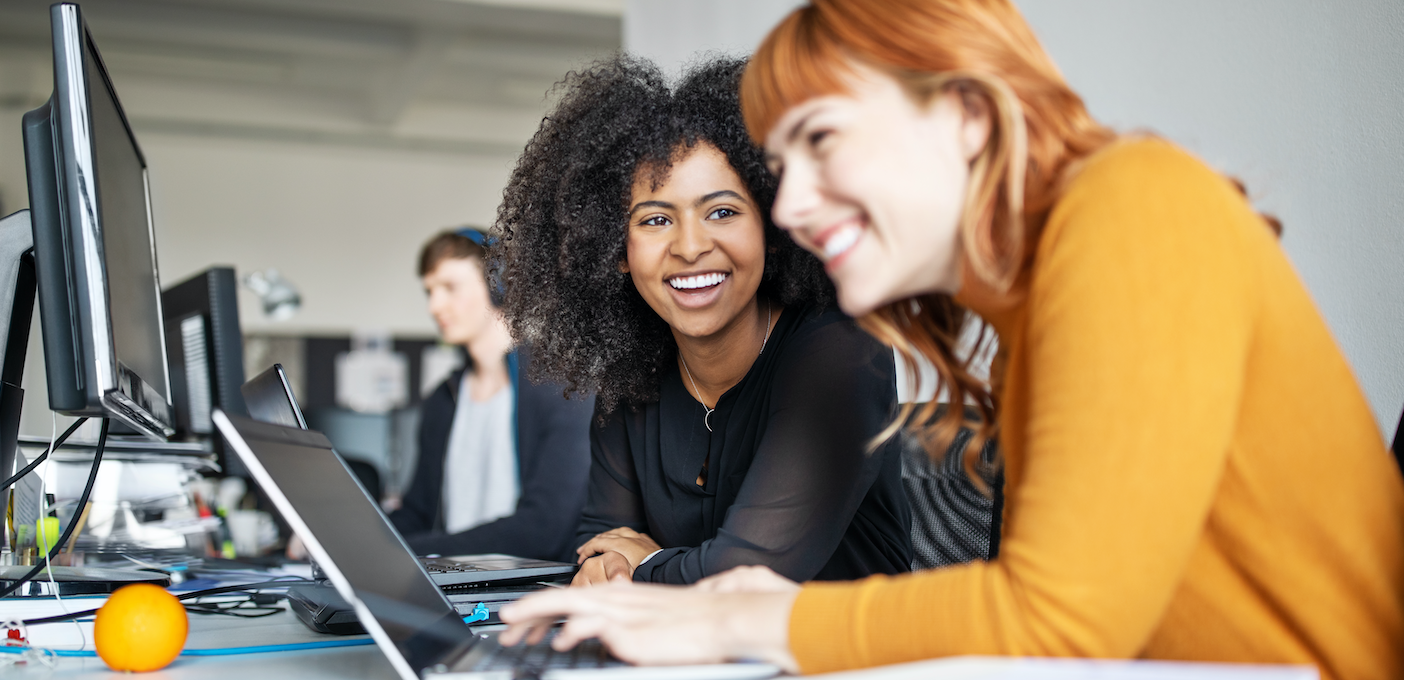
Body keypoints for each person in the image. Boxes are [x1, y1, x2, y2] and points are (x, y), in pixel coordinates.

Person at [498, 1, 1404, 677]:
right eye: (786, 167)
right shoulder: (1040, 301)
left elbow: (1059, 621)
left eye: (823, 141)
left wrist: (744, 618)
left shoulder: (1133, 205)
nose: (796, 206)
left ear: (967, 113)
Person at [493, 56, 913, 586]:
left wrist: (643, 564)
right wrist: (625, 569)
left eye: (722, 212)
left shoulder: (841, 351)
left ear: (773, 225)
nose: (690, 247)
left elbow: (747, 575)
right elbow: (599, 555)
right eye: (656, 220)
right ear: (616, 250)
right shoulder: (631, 380)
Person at [387, 228, 595, 562]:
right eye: (429, 291)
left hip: (530, 593)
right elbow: (416, 514)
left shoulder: (562, 389)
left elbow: (543, 529)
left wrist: (407, 551)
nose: (434, 305)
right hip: (450, 588)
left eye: (450, 288)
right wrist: (348, 543)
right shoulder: (443, 399)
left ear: (498, 285)